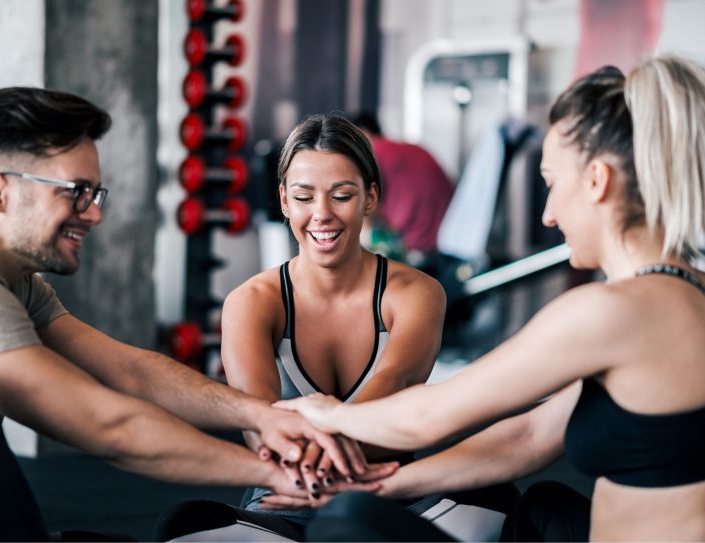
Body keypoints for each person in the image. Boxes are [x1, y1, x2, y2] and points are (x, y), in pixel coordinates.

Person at [277, 56, 705, 542]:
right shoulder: (685, 291)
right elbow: (530, 435)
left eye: (551, 183)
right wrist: (384, 483)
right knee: (542, 505)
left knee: (345, 526)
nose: (548, 214)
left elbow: (428, 419)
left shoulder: (613, 311)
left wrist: (328, 412)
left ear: (596, 181)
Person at [0, 87, 385, 519]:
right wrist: (279, 475)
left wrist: (262, 416)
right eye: (75, 191)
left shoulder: (15, 282)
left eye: (95, 194)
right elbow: (109, 426)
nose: (94, 214)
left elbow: (130, 371)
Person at [155, 113, 449, 541]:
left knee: (492, 499)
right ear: (284, 201)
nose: (322, 215)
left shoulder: (417, 293)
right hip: (285, 505)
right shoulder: (252, 303)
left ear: (370, 198)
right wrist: (307, 465)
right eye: (304, 196)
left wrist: (314, 458)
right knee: (183, 527)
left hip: (388, 504)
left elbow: (394, 386)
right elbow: (263, 431)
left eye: (342, 195)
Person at [351, 111, 454, 261]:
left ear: (363, 134)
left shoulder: (375, 152)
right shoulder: (410, 149)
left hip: (416, 248)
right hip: (445, 241)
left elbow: (361, 205)